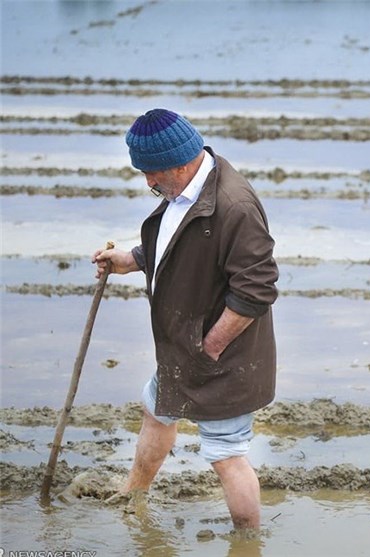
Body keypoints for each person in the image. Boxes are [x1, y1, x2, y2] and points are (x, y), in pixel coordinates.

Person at [93, 108, 279, 530]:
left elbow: (257, 289)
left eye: (152, 173)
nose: (148, 182)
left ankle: (248, 539)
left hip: (221, 358)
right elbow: (179, 245)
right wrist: (132, 259)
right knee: (156, 410)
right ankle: (133, 492)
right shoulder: (184, 192)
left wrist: (209, 346)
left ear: (181, 162)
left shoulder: (233, 206)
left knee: (226, 455)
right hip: (184, 347)